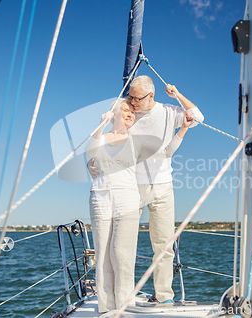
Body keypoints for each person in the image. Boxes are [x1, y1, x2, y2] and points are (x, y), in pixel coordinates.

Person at [89, 76, 204, 304]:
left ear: (151, 96)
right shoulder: (127, 115)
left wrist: (178, 95)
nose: (132, 102)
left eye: (136, 98)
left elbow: (198, 117)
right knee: (123, 247)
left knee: (163, 244)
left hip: (163, 185)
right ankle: (123, 298)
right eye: (130, 96)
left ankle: (163, 297)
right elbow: (108, 143)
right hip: (132, 186)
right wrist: (92, 161)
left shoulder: (169, 111)